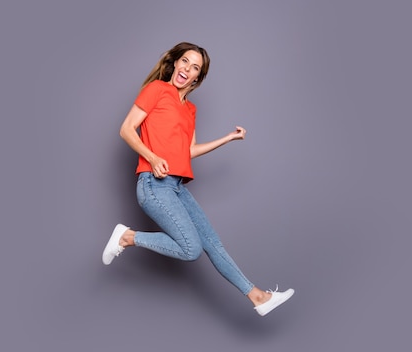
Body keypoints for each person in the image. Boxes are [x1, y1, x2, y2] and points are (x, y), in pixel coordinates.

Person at [102, 41, 294, 316]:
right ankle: (127, 237)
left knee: (213, 244)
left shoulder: (190, 109)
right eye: (185, 62)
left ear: (197, 78)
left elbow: (189, 150)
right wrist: (153, 157)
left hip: (176, 186)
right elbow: (126, 129)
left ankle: (258, 297)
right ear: (175, 62)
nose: (187, 69)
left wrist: (228, 138)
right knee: (191, 249)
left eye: (195, 68)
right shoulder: (156, 90)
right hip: (154, 185)